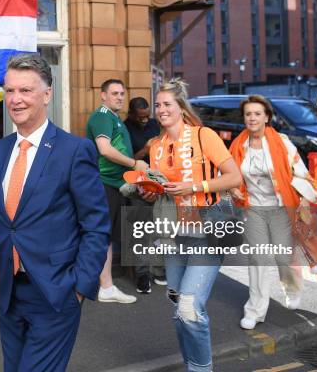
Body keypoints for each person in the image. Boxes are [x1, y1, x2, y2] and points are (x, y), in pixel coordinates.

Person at [0, 54, 110, 372]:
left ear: (47, 94)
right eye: (10, 90)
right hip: (11, 294)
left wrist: (80, 287)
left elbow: (95, 226)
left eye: (25, 90)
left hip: (57, 293)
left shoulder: (74, 151)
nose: (15, 99)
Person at [143, 79, 242, 372]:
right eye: (157, 105)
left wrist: (194, 186)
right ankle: (192, 366)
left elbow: (234, 177)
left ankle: (201, 369)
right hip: (175, 234)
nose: (161, 109)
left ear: (181, 108)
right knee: (179, 306)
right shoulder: (156, 147)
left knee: (189, 308)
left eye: (167, 104)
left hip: (208, 228)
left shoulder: (204, 136)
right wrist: (149, 190)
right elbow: (162, 191)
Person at [229, 95, 317, 330]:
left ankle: (292, 288)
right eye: (248, 114)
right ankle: (255, 310)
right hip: (253, 208)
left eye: (257, 113)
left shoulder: (282, 142)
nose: (252, 118)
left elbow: (300, 172)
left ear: (267, 117)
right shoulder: (238, 146)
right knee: (257, 258)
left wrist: (304, 201)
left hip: (281, 207)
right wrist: (232, 188)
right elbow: (228, 174)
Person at [86, 79, 149, 304]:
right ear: (103, 95)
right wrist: (134, 164)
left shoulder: (114, 119)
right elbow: (104, 149)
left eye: (122, 93)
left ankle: (106, 286)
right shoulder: (102, 115)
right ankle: (102, 286)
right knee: (101, 236)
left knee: (107, 237)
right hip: (103, 184)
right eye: (114, 93)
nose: (119, 97)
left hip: (115, 185)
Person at [123, 97, 165, 294]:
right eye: (140, 117)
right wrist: (145, 150)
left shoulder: (156, 125)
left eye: (147, 116)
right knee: (140, 231)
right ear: (131, 114)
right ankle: (142, 276)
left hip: (160, 182)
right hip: (137, 184)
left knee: (162, 231)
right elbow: (127, 161)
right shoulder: (125, 129)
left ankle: (158, 270)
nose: (145, 120)